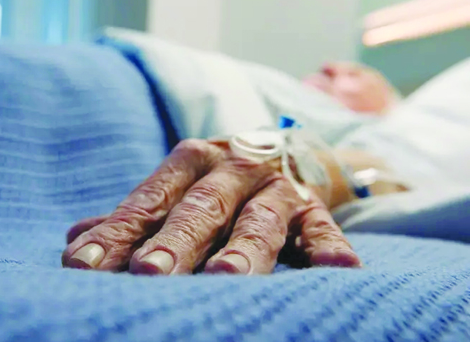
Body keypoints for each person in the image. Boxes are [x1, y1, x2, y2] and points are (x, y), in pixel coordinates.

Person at [63, 61, 406, 275]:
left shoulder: (378, 132)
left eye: (355, 74)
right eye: (322, 69)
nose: (329, 66)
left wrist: (300, 165)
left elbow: (381, 168)